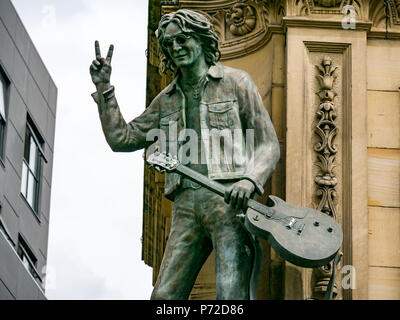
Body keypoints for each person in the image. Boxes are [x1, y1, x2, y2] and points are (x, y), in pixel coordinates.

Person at [89, 9, 280, 300]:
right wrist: (104, 89)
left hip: (228, 202)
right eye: (169, 44)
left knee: (231, 294)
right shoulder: (165, 100)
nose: (175, 48)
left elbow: (268, 145)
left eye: (182, 40)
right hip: (186, 206)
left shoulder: (236, 83)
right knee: (164, 297)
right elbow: (122, 138)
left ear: (201, 40)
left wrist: (250, 181)